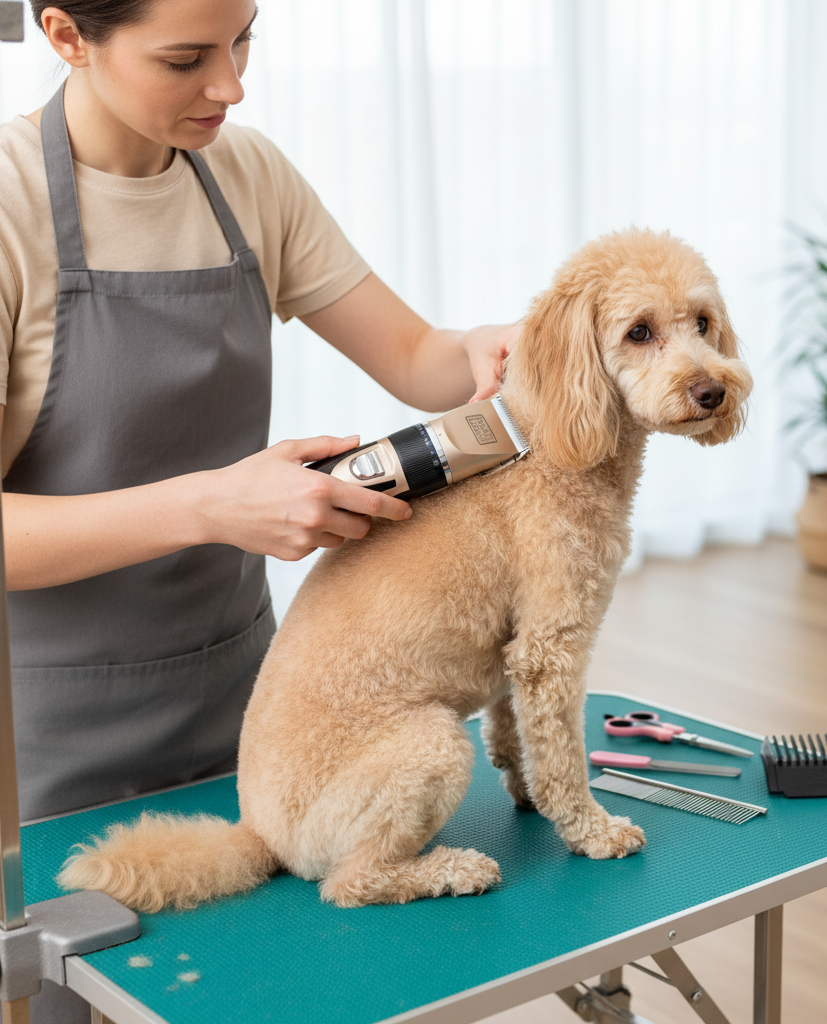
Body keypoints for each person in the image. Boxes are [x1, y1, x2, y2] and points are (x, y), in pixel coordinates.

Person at [0, 1, 513, 1018]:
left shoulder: (249, 176)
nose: (231, 86)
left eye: (244, 42)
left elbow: (420, 359)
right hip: (45, 748)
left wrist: (492, 352)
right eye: (187, 57)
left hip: (257, 709)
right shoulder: (10, 204)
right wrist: (210, 505)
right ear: (66, 36)